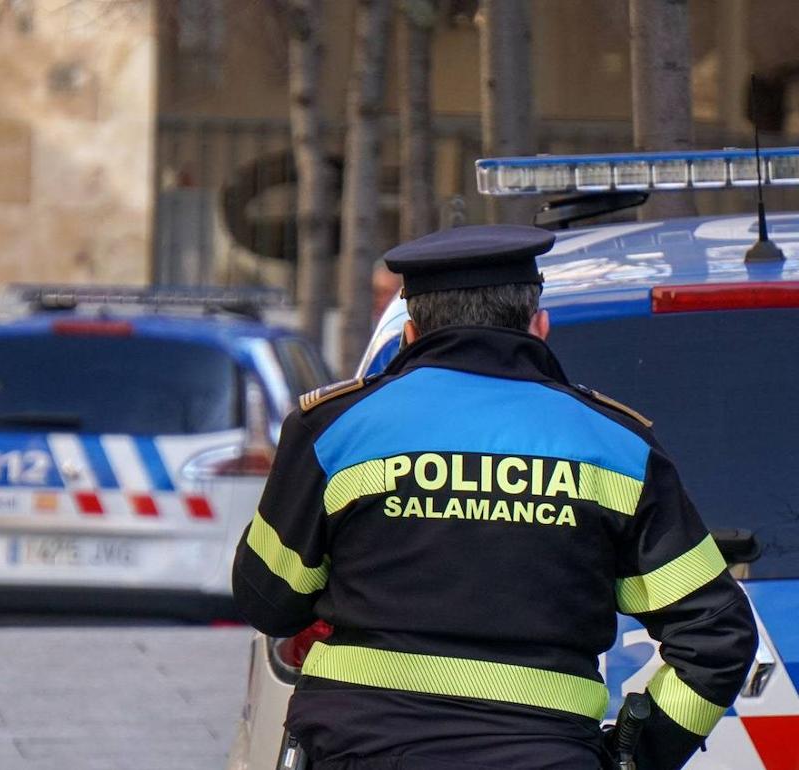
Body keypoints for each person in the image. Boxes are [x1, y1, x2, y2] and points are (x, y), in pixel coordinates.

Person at [232, 225, 758, 770]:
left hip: (358, 752)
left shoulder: (335, 429)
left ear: (411, 332)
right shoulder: (617, 446)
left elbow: (269, 599)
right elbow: (716, 638)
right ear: (539, 326)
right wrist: (630, 754)